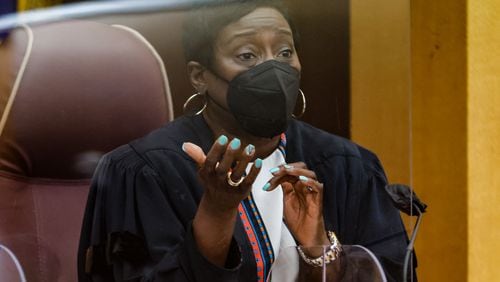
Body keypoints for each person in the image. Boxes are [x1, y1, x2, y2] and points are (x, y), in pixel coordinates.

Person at [78, 1, 414, 281]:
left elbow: (393, 272)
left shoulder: (347, 167)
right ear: (200, 76)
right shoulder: (144, 172)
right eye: (247, 56)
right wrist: (217, 212)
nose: (273, 70)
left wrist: (319, 249)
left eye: (284, 52)